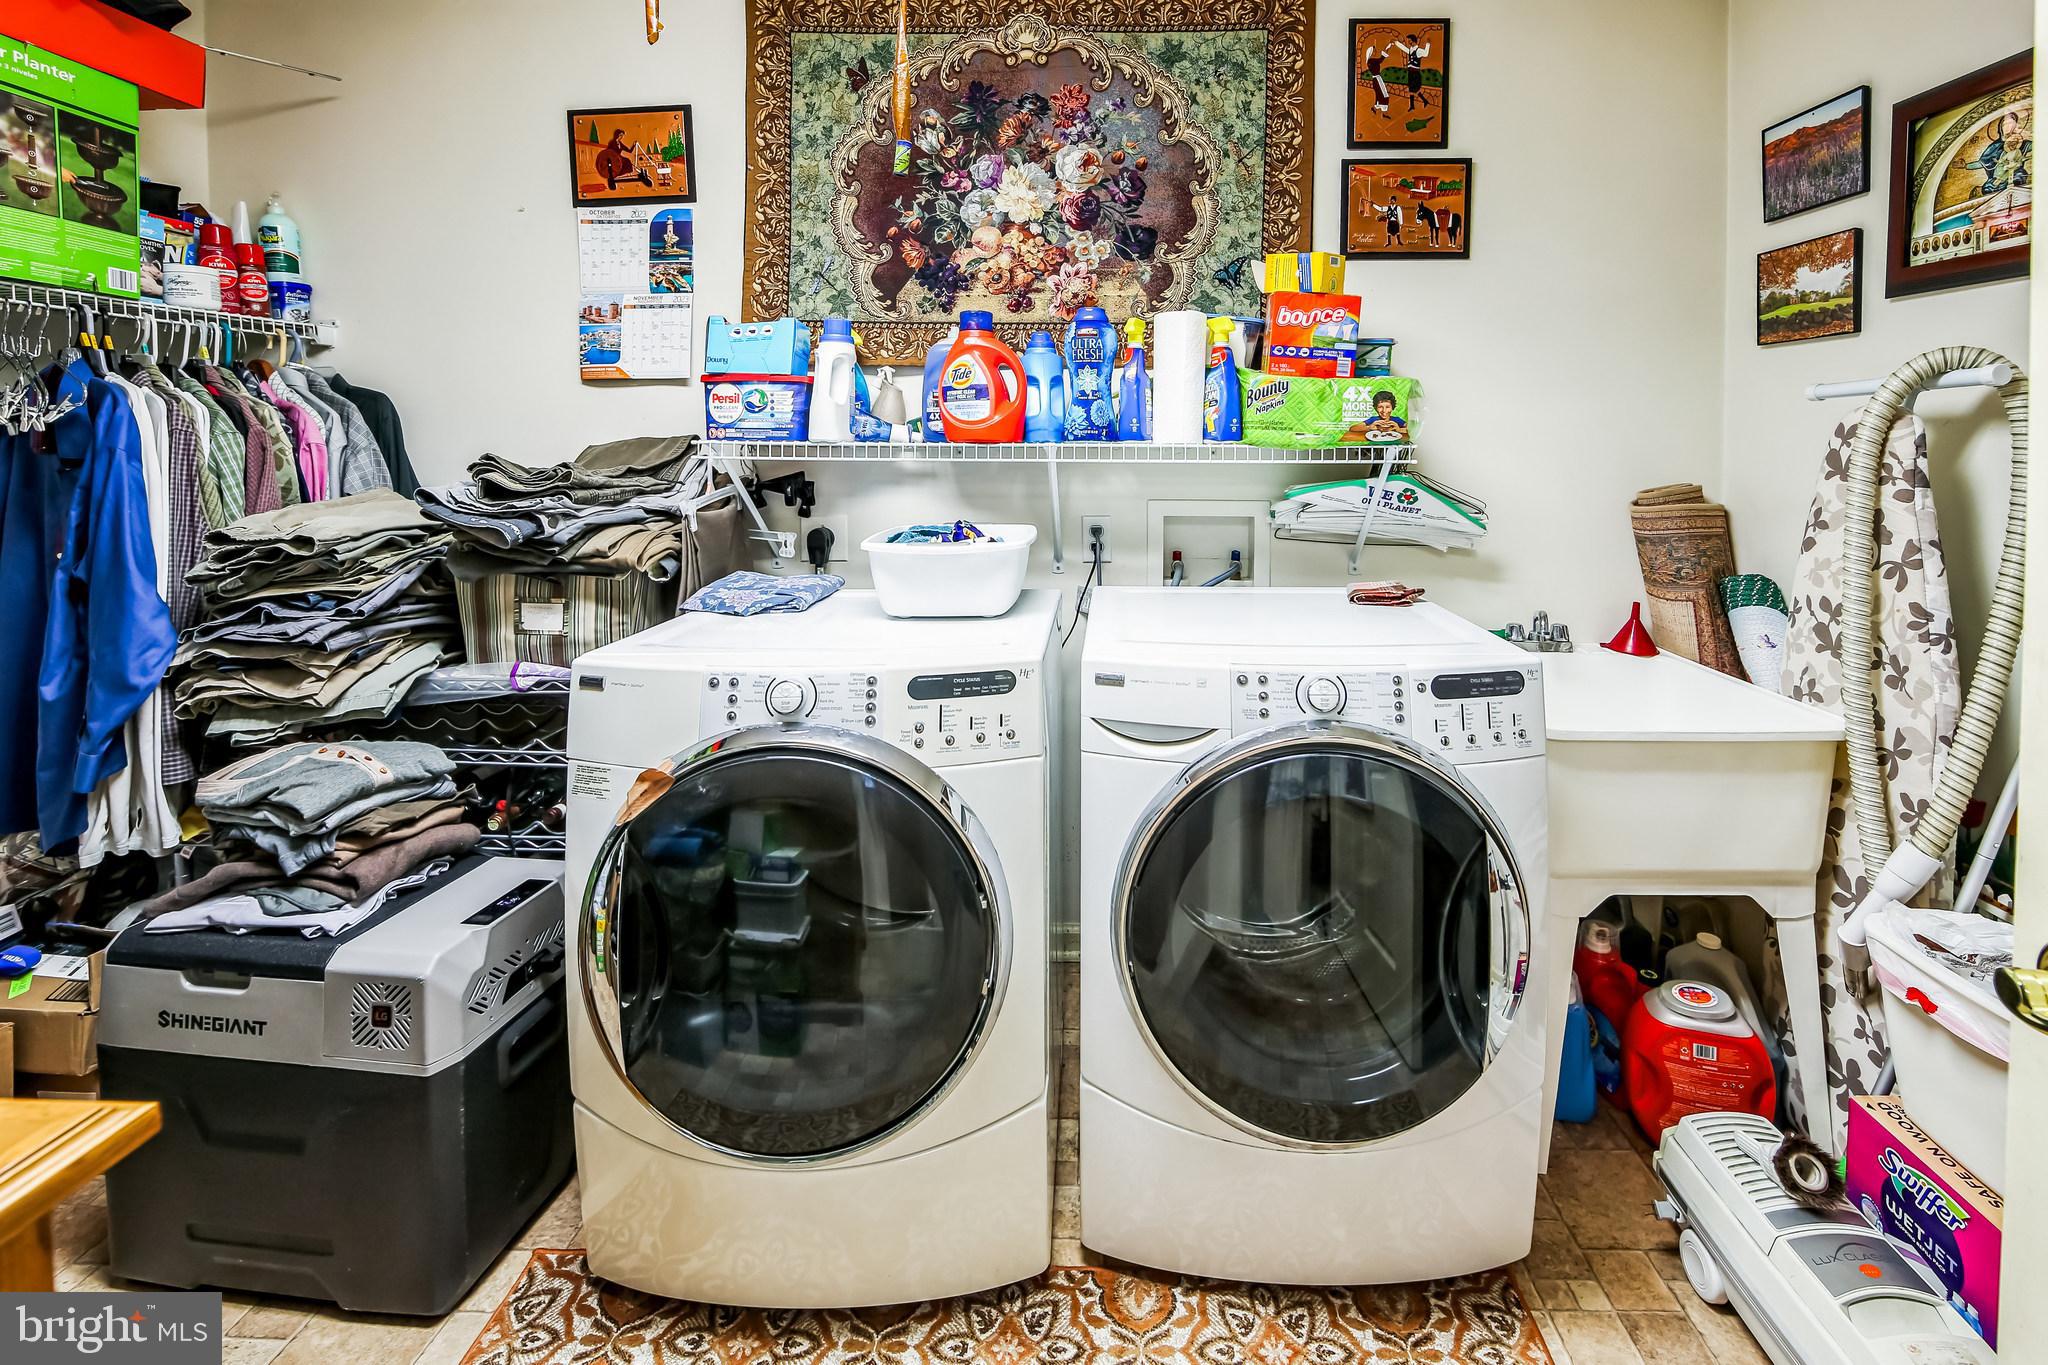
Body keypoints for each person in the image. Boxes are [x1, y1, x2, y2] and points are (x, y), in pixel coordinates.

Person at [1393, 33, 1432, 112]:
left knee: (1414, 89)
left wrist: (1428, 44)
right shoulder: (1411, 50)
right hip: (1410, 72)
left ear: (1413, 41)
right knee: (1411, 89)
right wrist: (1396, 43)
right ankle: (1414, 105)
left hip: (1415, 73)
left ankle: (1419, 103)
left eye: (1409, 41)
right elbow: (1404, 48)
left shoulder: (1419, 51)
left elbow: (1426, 54)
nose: (1408, 42)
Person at [1361, 44, 1390, 116]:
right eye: (1374, 51)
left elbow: (1380, 59)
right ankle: (1383, 112)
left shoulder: (1370, 61)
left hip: (1376, 80)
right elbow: (1381, 59)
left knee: (1379, 95)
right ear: (1371, 52)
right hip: (1377, 79)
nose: (1375, 52)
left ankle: (1375, 108)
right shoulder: (1372, 61)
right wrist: (1388, 47)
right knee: (1384, 94)